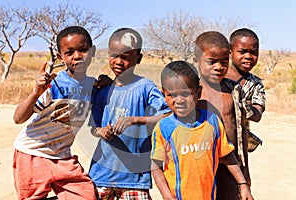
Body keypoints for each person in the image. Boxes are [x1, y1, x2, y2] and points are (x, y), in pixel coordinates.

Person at [13, 26, 106, 200]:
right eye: (69, 52)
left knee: (86, 195)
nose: (77, 56)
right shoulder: (54, 84)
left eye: (83, 50)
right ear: (60, 57)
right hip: (32, 152)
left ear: (92, 52)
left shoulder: (94, 87)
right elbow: (18, 118)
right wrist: (36, 92)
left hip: (62, 155)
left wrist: (107, 83)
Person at [151, 60, 253, 200]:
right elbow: (155, 166)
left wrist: (242, 184)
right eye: (172, 95)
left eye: (186, 94)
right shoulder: (164, 128)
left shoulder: (212, 121)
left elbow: (227, 154)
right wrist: (167, 195)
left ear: (198, 93)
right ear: (164, 95)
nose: (179, 100)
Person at [88, 27, 170, 200]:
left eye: (125, 57)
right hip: (102, 175)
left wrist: (136, 120)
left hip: (135, 178)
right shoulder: (103, 90)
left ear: (138, 58)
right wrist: (101, 131)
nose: (118, 62)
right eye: (114, 55)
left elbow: (168, 115)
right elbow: (93, 127)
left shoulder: (145, 87)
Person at [194, 31, 250, 200]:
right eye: (211, 62)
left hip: (229, 166)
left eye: (224, 62)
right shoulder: (191, 92)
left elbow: (241, 133)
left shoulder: (234, 91)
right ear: (197, 60)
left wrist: (244, 172)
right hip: (199, 165)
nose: (219, 67)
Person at [226, 28, 266, 152]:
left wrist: (244, 107)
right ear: (230, 52)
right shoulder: (218, 77)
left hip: (238, 143)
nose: (248, 56)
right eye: (242, 51)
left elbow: (257, 114)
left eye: (253, 52)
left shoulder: (255, 84)